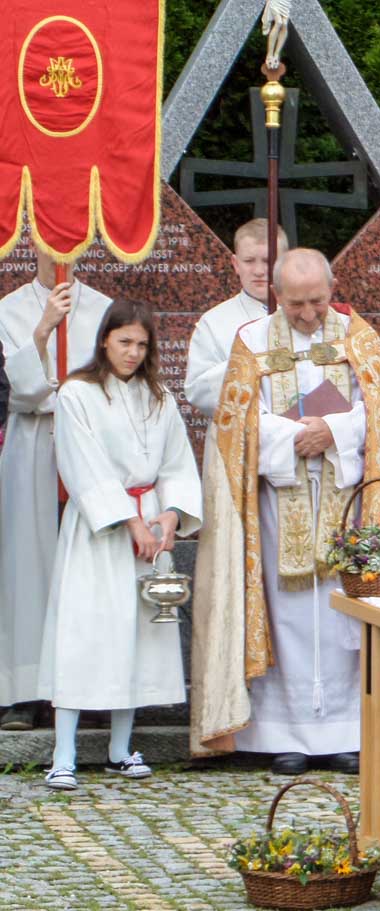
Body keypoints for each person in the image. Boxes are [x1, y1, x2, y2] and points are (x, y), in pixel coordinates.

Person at [189, 248, 380, 775]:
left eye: (317, 301)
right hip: (279, 493)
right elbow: (236, 420)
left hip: (346, 496)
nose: (309, 313)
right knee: (286, 613)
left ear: (332, 290)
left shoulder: (358, 337)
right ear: (276, 296)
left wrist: (331, 431)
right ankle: (283, 735)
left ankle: (349, 732)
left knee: (342, 617)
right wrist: (294, 436)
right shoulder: (251, 341)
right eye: (296, 304)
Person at [37, 300, 201, 790]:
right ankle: (63, 753)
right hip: (100, 530)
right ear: (105, 339)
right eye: (124, 341)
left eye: (142, 345)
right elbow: (82, 463)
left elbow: (177, 463)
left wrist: (171, 514)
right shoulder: (77, 393)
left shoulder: (159, 397)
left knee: (138, 633)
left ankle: (120, 748)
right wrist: (131, 523)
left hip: (151, 524)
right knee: (85, 631)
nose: (132, 352)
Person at [0, 251, 112, 731]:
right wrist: (44, 329)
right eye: (50, 246)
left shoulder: (104, 308)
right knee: (28, 568)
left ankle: (86, 690)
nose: (59, 257)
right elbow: (17, 391)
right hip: (32, 447)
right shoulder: (8, 310)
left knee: (87, 570)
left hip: (87, 444)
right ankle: (25, 692)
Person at [184, 218, 286, 420]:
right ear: (235, 264)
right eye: (249, 261)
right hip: (240, 432)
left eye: (268, 261)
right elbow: (198, 391)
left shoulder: (307, 316)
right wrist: (251, 362)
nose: (259, 271)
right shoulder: (213, 322)